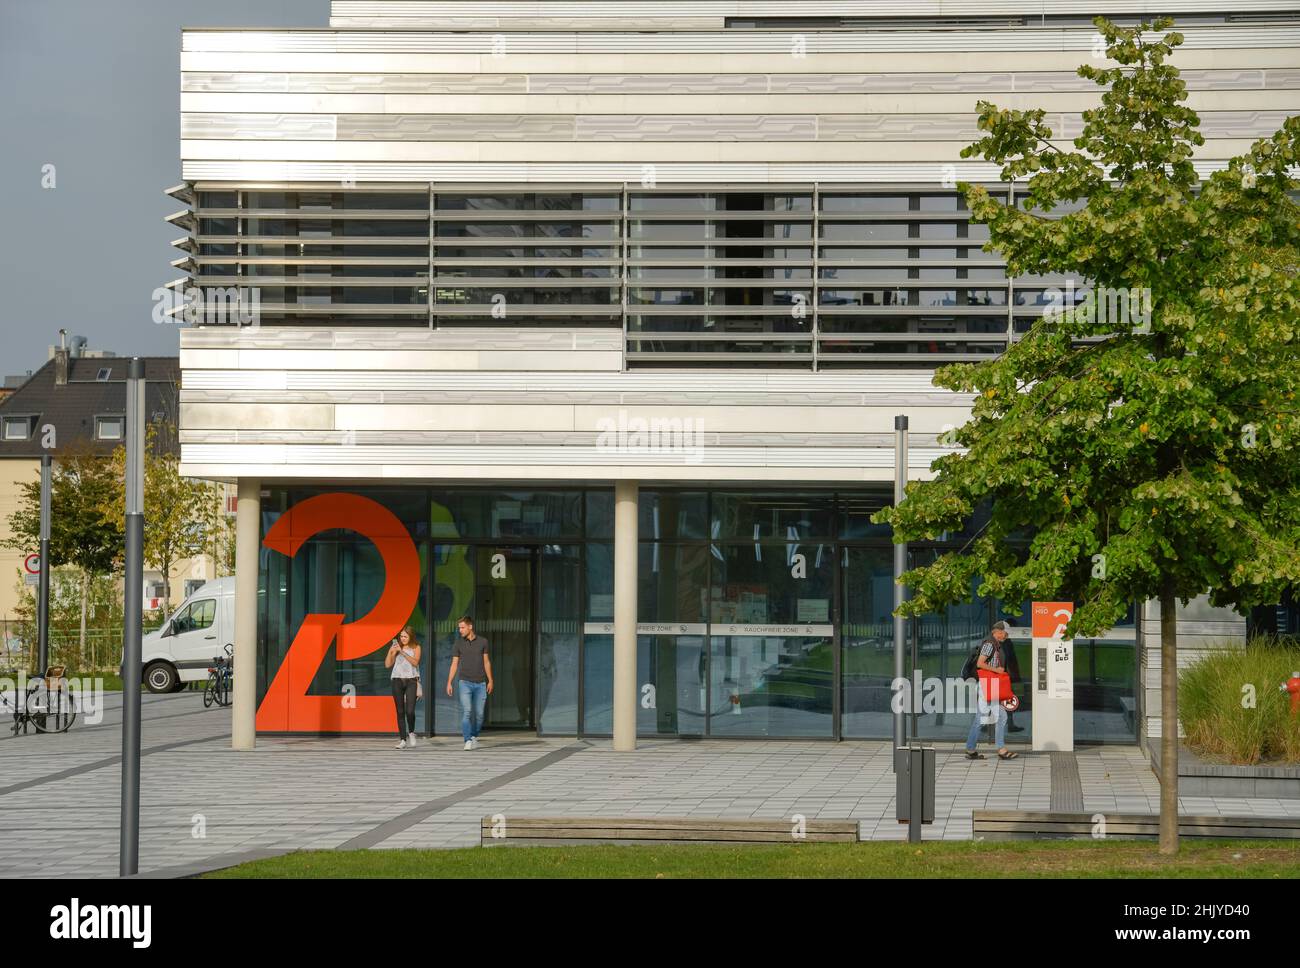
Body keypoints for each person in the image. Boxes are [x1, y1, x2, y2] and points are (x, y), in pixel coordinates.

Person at [965, 620, 1019, 761]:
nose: (1006, 636)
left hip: (989, 684)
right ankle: (1000, 750)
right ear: (998, 632)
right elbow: (980, 663)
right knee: (997, 717)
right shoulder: (990, 644)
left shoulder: (995, 644)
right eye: (1005, 633)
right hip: (988, 684)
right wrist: (998, 670)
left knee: (983, 718)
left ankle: (971, 749)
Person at [446, 615, 492, 751]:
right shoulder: (458, 644)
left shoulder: (483, 642)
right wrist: (449, 682)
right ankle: (467, 740)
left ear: (470, 627)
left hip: (481, 683)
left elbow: (486, 662)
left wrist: (491, 680)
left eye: (462, 627)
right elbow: (454, 664)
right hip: (464, 682)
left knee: (479, 714)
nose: (460, 630)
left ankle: (473, 736)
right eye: (459, 628)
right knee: (467, 711)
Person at [385, 626, 422, 750]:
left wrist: (402, 652)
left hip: (411, 680)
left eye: (405, 636)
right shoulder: (396, 648)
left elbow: (415, 662)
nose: (403, 638)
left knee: (410, 711)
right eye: (401, 636)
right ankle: (402, 739)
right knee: (400, 711)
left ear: (411, 636)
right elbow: (387, 664)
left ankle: (411, 732)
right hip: (397, 680)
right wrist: (391, 652)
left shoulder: (416, 647)